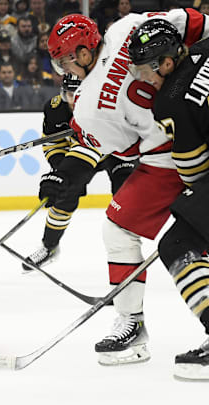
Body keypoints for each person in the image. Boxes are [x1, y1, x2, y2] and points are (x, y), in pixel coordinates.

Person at [46, 10, 209, 366]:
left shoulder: (88, 107)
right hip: (192, 131)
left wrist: (66, 171)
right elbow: (191, 21)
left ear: (83, 54)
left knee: (120, 230)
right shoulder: (125, 28)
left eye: (64, 63)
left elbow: (118, 149)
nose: (65, 72)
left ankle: (131, 324)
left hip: (168, 156)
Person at [127, 18, 209, 380]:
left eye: (145, 69)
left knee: (177, 243)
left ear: (168, 62)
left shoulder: (170, 100)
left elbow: (194, 171)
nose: (142, 78)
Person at [22, 74, 136, 271]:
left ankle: (128, 253)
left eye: (79, 93)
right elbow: (52, 143)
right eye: (69, 94)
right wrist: (61, 168)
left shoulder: (106, 104)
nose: (74, 100)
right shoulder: (55, 109)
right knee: (64, 194)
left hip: (115, 153)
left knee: (125, 194)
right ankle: (49, 246)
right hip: (79, 156)